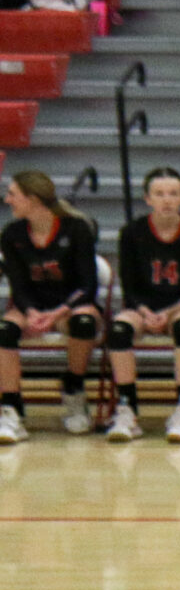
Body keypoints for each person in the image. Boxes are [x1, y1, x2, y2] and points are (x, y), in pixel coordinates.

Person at [106, 167, 180, 443]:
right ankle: (128, 409)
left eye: (173, 194)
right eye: (160, 194)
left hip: (179, 308)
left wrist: (168, 313)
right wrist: (146, 313)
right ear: (147, 199)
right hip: (142, 307)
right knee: (118, 330)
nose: (167, 200)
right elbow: (129, 288)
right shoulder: (132, 233)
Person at [0, 172, 102, 440]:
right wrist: (32, 312)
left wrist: (58, 312)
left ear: (32, 199)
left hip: (69, 306)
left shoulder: (76, 229)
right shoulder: (12, 234)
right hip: (32, 307)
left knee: (84, 322)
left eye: (13, 194)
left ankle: (73, 388)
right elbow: (18, 286)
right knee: (4, 330)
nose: (7, 199)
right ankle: (11, 407)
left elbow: (87, 285)